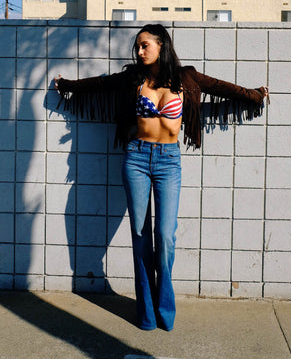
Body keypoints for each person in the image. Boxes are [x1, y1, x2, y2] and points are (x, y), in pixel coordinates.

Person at [55, 23, 269, 332]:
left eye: (145, 45)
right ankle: (146, 314)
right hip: (136, 159)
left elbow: (222, 87)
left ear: (161, 46)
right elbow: (101, 84)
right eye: (138, 46)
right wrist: (68, 84)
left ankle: (163, 306)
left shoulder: (187, 78)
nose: (139, 51)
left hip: (169, 162)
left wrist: (254, 95)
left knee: (165, 235)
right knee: (141, 237)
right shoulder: (133, 78)